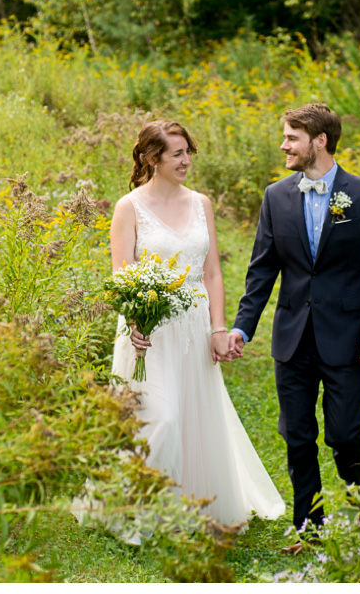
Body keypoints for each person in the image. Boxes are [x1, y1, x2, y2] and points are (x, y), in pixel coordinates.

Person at [228, 103, 360, 551]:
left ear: (319, 141)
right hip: (292, 337)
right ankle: (310, 527)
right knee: (297, 434)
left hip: (346, 338)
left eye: (292, 137)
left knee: (344, 433)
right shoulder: (275, 196)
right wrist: (242, 328)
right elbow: (262, 271)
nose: (284, 145)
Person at [105, 120, 284, 529]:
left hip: (194, 326)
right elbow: (122, 275)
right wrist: (136, 322)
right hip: (146, 331)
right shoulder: (128, 207)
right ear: (153, 159)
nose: (187, 160)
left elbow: (212, 274)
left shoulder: (201, 203)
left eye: (188, 152)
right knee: (159, 418)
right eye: (177, 154)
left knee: (193, 419)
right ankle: (134, 512)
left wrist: (218, 329)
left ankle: (187, 506)